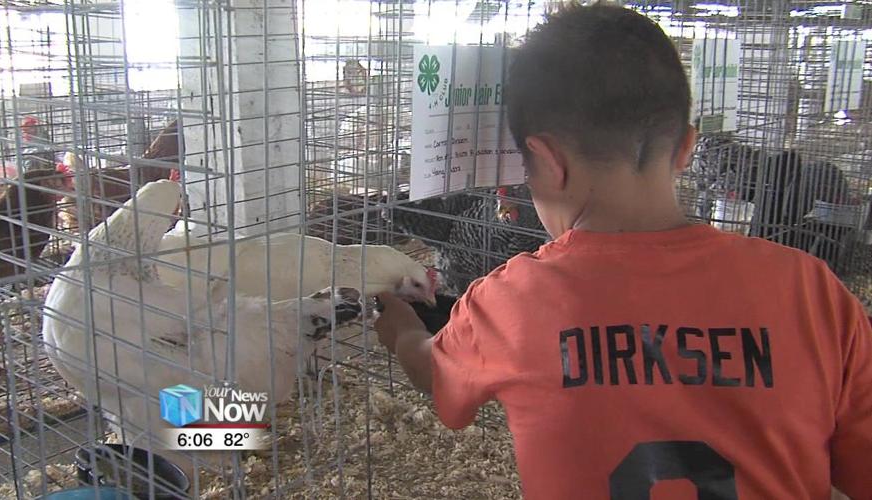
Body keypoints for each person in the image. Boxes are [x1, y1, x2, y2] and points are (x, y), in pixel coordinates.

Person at [373, 3, 872, 499]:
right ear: (686, 148)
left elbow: (434, 377)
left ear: (546, 160)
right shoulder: (811, 290)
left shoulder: (512, 300)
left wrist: (403, 331)